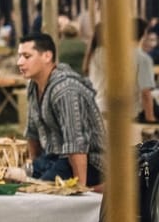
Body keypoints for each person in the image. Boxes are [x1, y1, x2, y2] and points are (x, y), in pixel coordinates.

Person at [19, 32, 105, 187]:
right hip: (54, 157)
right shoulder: (34, 85)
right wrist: (33, 165)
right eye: (19, 56)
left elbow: (76, 144)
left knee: (39, 191)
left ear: (47, 56)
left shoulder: (65, 90)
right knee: (16, 181)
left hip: (90, 162)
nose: (19, 62)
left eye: (26, 56)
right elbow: (32, 132)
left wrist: (81, 190)